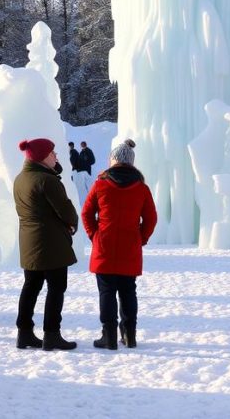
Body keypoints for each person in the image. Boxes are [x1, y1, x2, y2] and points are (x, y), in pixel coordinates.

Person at [82, 139, 157, 350]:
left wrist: (94, 235)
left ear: (113, 160)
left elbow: (86, 213)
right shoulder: (141, 188)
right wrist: (141, 238)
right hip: (130, 245)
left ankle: (108, 336)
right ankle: (129, 335)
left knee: (106, 291)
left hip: (104, 244)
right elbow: (151, 218)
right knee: (128, 291)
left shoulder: (100, 184)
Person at [13, 138, 79, 351]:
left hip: (29, 241)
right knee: (56, 288)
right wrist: (71, 224)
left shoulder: (21, 178)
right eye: (52, 153)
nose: (56, 156)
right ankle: (51, 334)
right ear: (42, 156)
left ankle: (24, 333)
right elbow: (66, 210)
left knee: (31, 287)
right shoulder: (46, 180)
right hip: (51, 243)